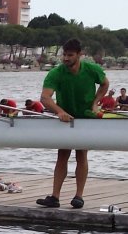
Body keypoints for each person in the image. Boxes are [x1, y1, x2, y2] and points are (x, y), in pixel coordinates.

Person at [37, 38, 110, 209]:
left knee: (81, 155)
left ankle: (79, 196)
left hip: (85, 117)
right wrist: (60, 111)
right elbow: (45, 98)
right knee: (62, 154)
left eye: (70, 55)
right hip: (66, 117)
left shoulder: (92, 69)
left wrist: (95, 102)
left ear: (79, 55)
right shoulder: (56, 73)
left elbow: (105, 83)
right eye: (64, 55)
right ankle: (55, 197)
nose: (66, 58)